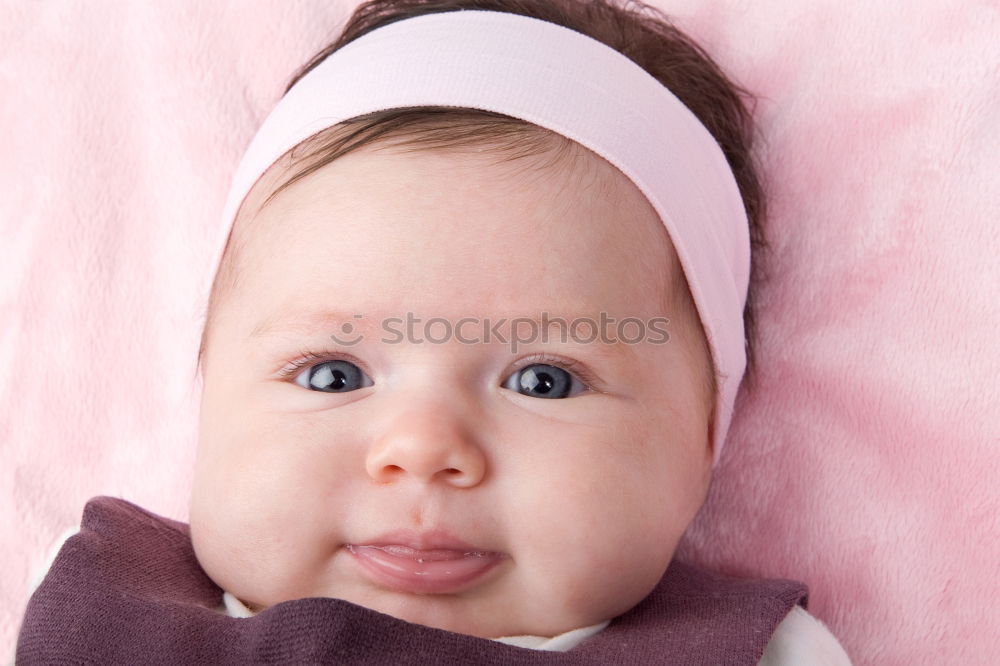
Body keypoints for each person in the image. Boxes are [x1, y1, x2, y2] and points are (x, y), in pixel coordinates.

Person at [17, 1, 852, 663]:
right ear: (208, 395)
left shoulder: (748, 654)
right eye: (332, 375)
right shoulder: (101, 611)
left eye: (543, 380)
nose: (422, 450)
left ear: (705, 436)